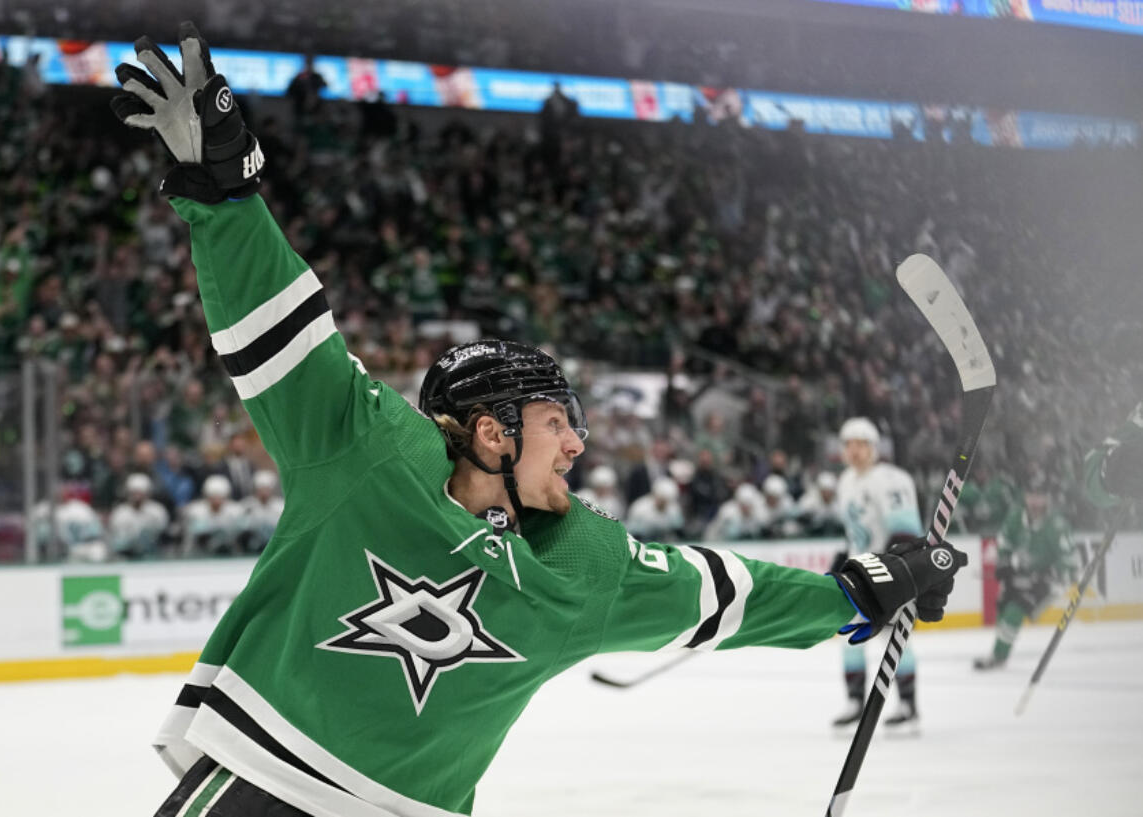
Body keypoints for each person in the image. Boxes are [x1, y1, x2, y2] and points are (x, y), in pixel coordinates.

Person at [112, 25, 966, 817]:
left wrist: (860, 588)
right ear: (491, 431)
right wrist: (227, 198)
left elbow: (722, 594)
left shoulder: (585, 561)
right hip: (265, 781)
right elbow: (282, 330)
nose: (578, 443)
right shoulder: (364, 450)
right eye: (557, 420)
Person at [833, 417, 925, 730]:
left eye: (861, 444)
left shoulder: (890, 479)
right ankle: (855, 701)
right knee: (848, 637)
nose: (854, 451)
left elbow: (905, 533)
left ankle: (908, 705)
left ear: (874, 448)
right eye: (849, 444)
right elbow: (855, 534)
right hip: (858, 577)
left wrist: (886, 571)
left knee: (894, 638)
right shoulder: (846, 481)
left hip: (888, 573)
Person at [973, 469, 1076, 670]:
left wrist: (1054, 574)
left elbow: (1068, 561)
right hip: (1022, 575)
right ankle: (1001, 650)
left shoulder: (1056, 525)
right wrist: (1005, 563)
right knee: (1003, 609)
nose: (1035, 502)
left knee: (1014, 611)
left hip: (1047, 580)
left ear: (1047, 499)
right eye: (1031, 496)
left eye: (1040, 497)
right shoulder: (1015, 518)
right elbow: (1005, 543)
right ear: (1025, 497)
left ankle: (998, 656)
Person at [109, 472, 171, 559]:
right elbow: (116, 539)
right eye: (134, 492)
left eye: (140, 492)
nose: (137, 496)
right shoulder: (120, 513)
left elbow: (163, 535)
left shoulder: (157, 511)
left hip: (154, 553)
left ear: (148, 493)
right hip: (125, 555)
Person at [181, 474, 244, 556]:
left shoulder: (235, 511)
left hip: (230, 552)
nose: (216, 500)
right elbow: (190, 537)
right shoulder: (195, 511)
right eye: (213, 496)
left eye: (219, 496)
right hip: (200, 553)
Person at [624, 475, 685, 542]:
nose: (663, 504)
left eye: (666, 502)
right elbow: (632, 533)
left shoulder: (674, 509)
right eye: (662, 500)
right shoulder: (639, 508)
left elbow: (679, 530)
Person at [239, 469, 284, 553]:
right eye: (261, 489)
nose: (264, 492)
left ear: (271, 489)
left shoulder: (280, 506)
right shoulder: (247, 505)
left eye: (266, 489)